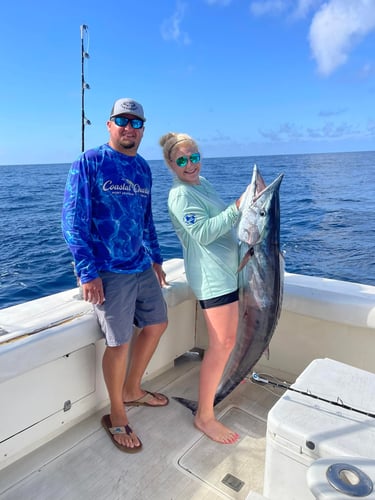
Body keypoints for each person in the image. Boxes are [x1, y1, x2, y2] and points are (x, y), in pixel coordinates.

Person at [62, 98, 169, 453]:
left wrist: (156, 257)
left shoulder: (143, 169)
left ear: (143, 129)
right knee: (118, 342)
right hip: (108, 271)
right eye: (121, 120)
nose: (128, 127)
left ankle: (133, 388)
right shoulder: (89, 162)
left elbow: (146, 218)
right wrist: (87, 271)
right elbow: (72, 222)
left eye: (136, 122)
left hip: (141, 266)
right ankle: (117, 412)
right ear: (109, 125)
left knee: (157, 323)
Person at [159, 132, 242, 444]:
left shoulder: (201, 183)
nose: (190, 164)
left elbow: (223, 221)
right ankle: (204, 417)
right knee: (221, 344)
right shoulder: (180, 196)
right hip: (211, 277)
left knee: (229, 340)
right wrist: (237, 207)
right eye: (182, 160)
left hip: (228, 272)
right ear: (171, 164)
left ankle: (227, 380)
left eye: (193, 157)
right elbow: (204, 233)